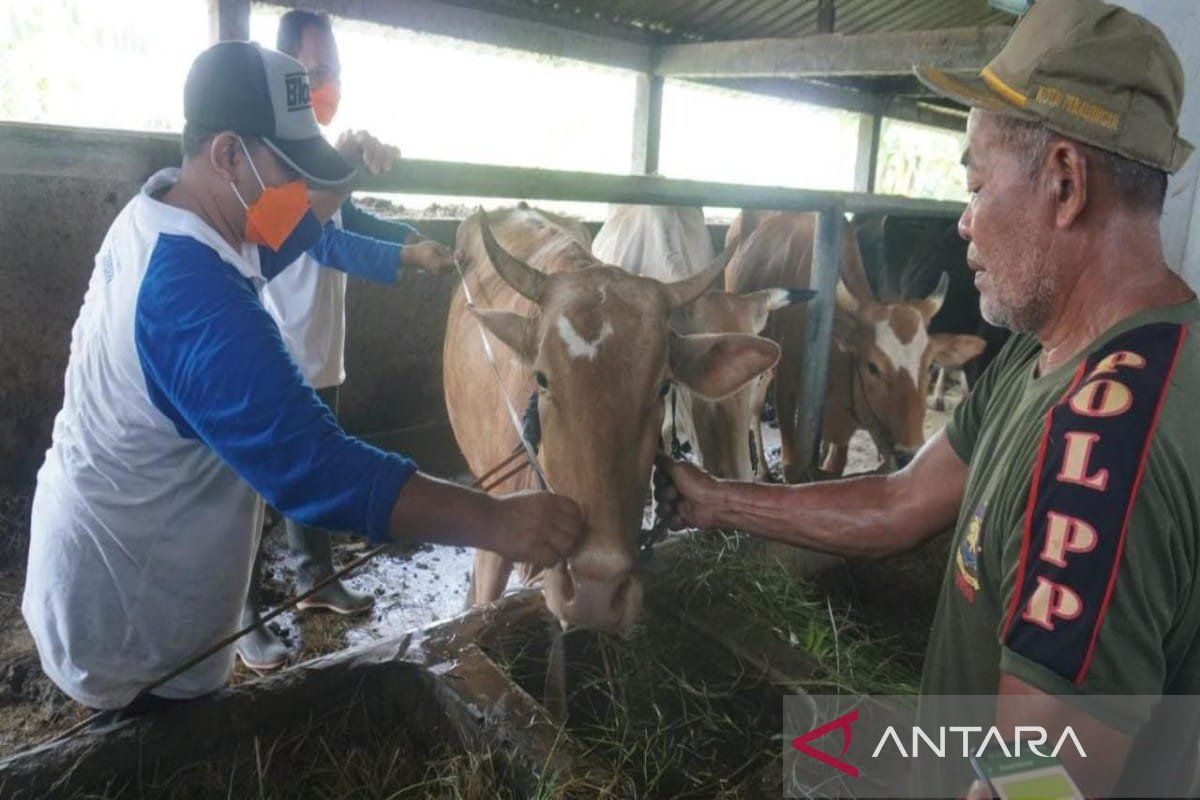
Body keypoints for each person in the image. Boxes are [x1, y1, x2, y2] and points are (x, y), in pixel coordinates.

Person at [655, 0, 1200, 795]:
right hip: (948, 754)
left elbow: (1039, 784)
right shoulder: (1048, 359)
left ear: (1064, 182)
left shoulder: (1103, 453)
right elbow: (903, 499)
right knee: (816, 748)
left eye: (975, 184)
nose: (965, 223)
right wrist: (720, 502)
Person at [20, 41, 582, 716]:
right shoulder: (192, 296)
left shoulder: (169, 210)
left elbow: (283, 231)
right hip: (130, 625)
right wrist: (499, 523)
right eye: (288, 166)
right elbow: (315, 469)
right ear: (227, 154)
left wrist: (338, 176)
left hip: (116, 556)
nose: (299, 187)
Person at [234, 9, 456, 673]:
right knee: (251, 490)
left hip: (320, 339)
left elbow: (348, 217)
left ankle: (314, 579)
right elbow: (311, 230)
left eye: (334, 72)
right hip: (272, 342)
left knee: (316, 464)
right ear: (283, 78)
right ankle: (238, 611)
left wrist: (411, 246)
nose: (326, 84)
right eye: (313, 72)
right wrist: (353, 173)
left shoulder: (320, 152)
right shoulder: (258, 151)